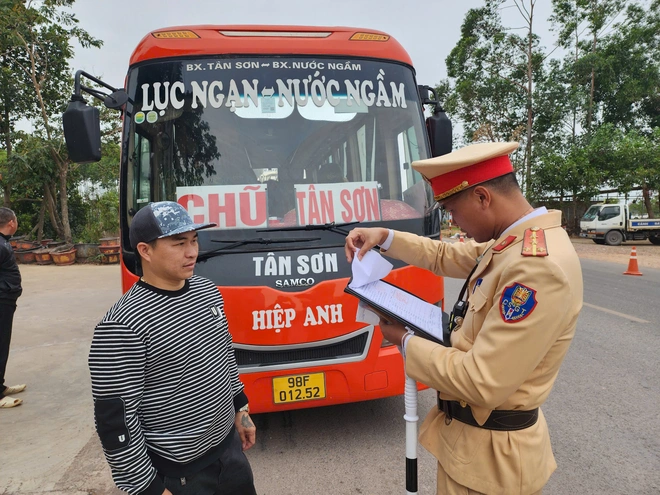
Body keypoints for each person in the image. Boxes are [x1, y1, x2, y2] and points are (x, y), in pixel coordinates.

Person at [345, 142, 583, 495]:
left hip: (493, 464)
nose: (452, 221)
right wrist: (386, 237)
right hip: (474, 449)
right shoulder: (511, 241)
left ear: (483, 198)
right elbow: (445, 255)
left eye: (452, 210)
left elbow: (482, 381)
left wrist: (406, 341)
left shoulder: (535, 267)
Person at [89, 201, 257, 495]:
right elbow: (116, 423)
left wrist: (240, 409)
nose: (192, 252)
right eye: (179, 243)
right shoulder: (121, 326)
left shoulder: (207, 292)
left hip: (228, 453)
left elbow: (224, 355)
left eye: (194, 241)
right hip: (178, 475)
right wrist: (149, 489)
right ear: (145, 251)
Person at [0, 207, 26, 409]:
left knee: (3, 344)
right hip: (2, 300)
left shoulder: (3, 243)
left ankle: (1, 386)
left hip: (6, 300)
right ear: (11, 223)